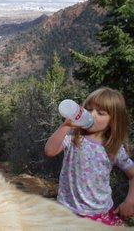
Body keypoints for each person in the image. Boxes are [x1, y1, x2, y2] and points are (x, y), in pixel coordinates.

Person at [44, 87, 134, 226]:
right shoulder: (73, 136)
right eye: (89, 109)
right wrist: (65, 126)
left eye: (100, 113)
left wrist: (130, 202)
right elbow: (50, 151)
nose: (92, 115)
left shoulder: (113, 148)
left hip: (99, 213)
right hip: (67, 211)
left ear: (113, 120)